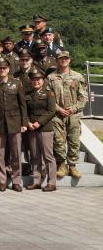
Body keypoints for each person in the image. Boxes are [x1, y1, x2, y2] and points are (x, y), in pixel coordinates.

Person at [46, 51, 87, 179]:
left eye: (66, 58)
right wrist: (58, 108)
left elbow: (83, 97)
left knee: (74, 140)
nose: (63, 60)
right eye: (60, 59)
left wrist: (74, 108)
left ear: (69, 60)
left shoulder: (77, 76)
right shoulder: (51, 78)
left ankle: (72, 166)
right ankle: (62, 165)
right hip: (57, 114)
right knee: (58, 140)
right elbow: (48, 97)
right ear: (57, 61)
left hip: (73, 114)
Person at [0, 57, 28, 192]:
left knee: (16, 154)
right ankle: (1, 181)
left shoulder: (17, 83)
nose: (2, 70)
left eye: (4, 68)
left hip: (15, 122)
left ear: (8, 69)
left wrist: (24, 122)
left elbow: (22, 105)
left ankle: (16, 181)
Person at [25, 69, 58, 191]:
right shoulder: (28, 94)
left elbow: (51, 111)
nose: (36, 82)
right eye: (33, 79)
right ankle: (36, 181)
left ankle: (52, 183)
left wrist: (39, 123)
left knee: (48, 156)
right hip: (31, 128)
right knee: (34, 156)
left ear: (43, 80)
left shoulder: (49, 93)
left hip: (44, 128)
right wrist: (28, 122)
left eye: (38, 79)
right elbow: (25, 111)